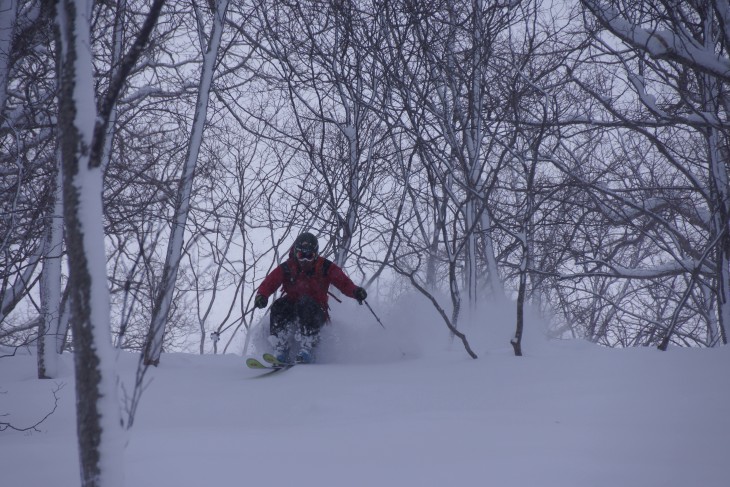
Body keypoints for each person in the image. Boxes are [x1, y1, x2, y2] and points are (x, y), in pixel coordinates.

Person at [254, 232, 367, 364]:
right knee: (279, 305)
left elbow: (344, 283)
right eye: (301, 256)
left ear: (316, 255)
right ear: (296, 253)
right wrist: (262, 296)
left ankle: (308, 347)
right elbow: (270, 282)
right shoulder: (287, 267)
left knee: (305, 302)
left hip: (316, 311)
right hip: (292, 309)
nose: (305, 261)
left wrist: (355, 292)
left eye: (310, 256)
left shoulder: (325, 267)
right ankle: (281, 347)